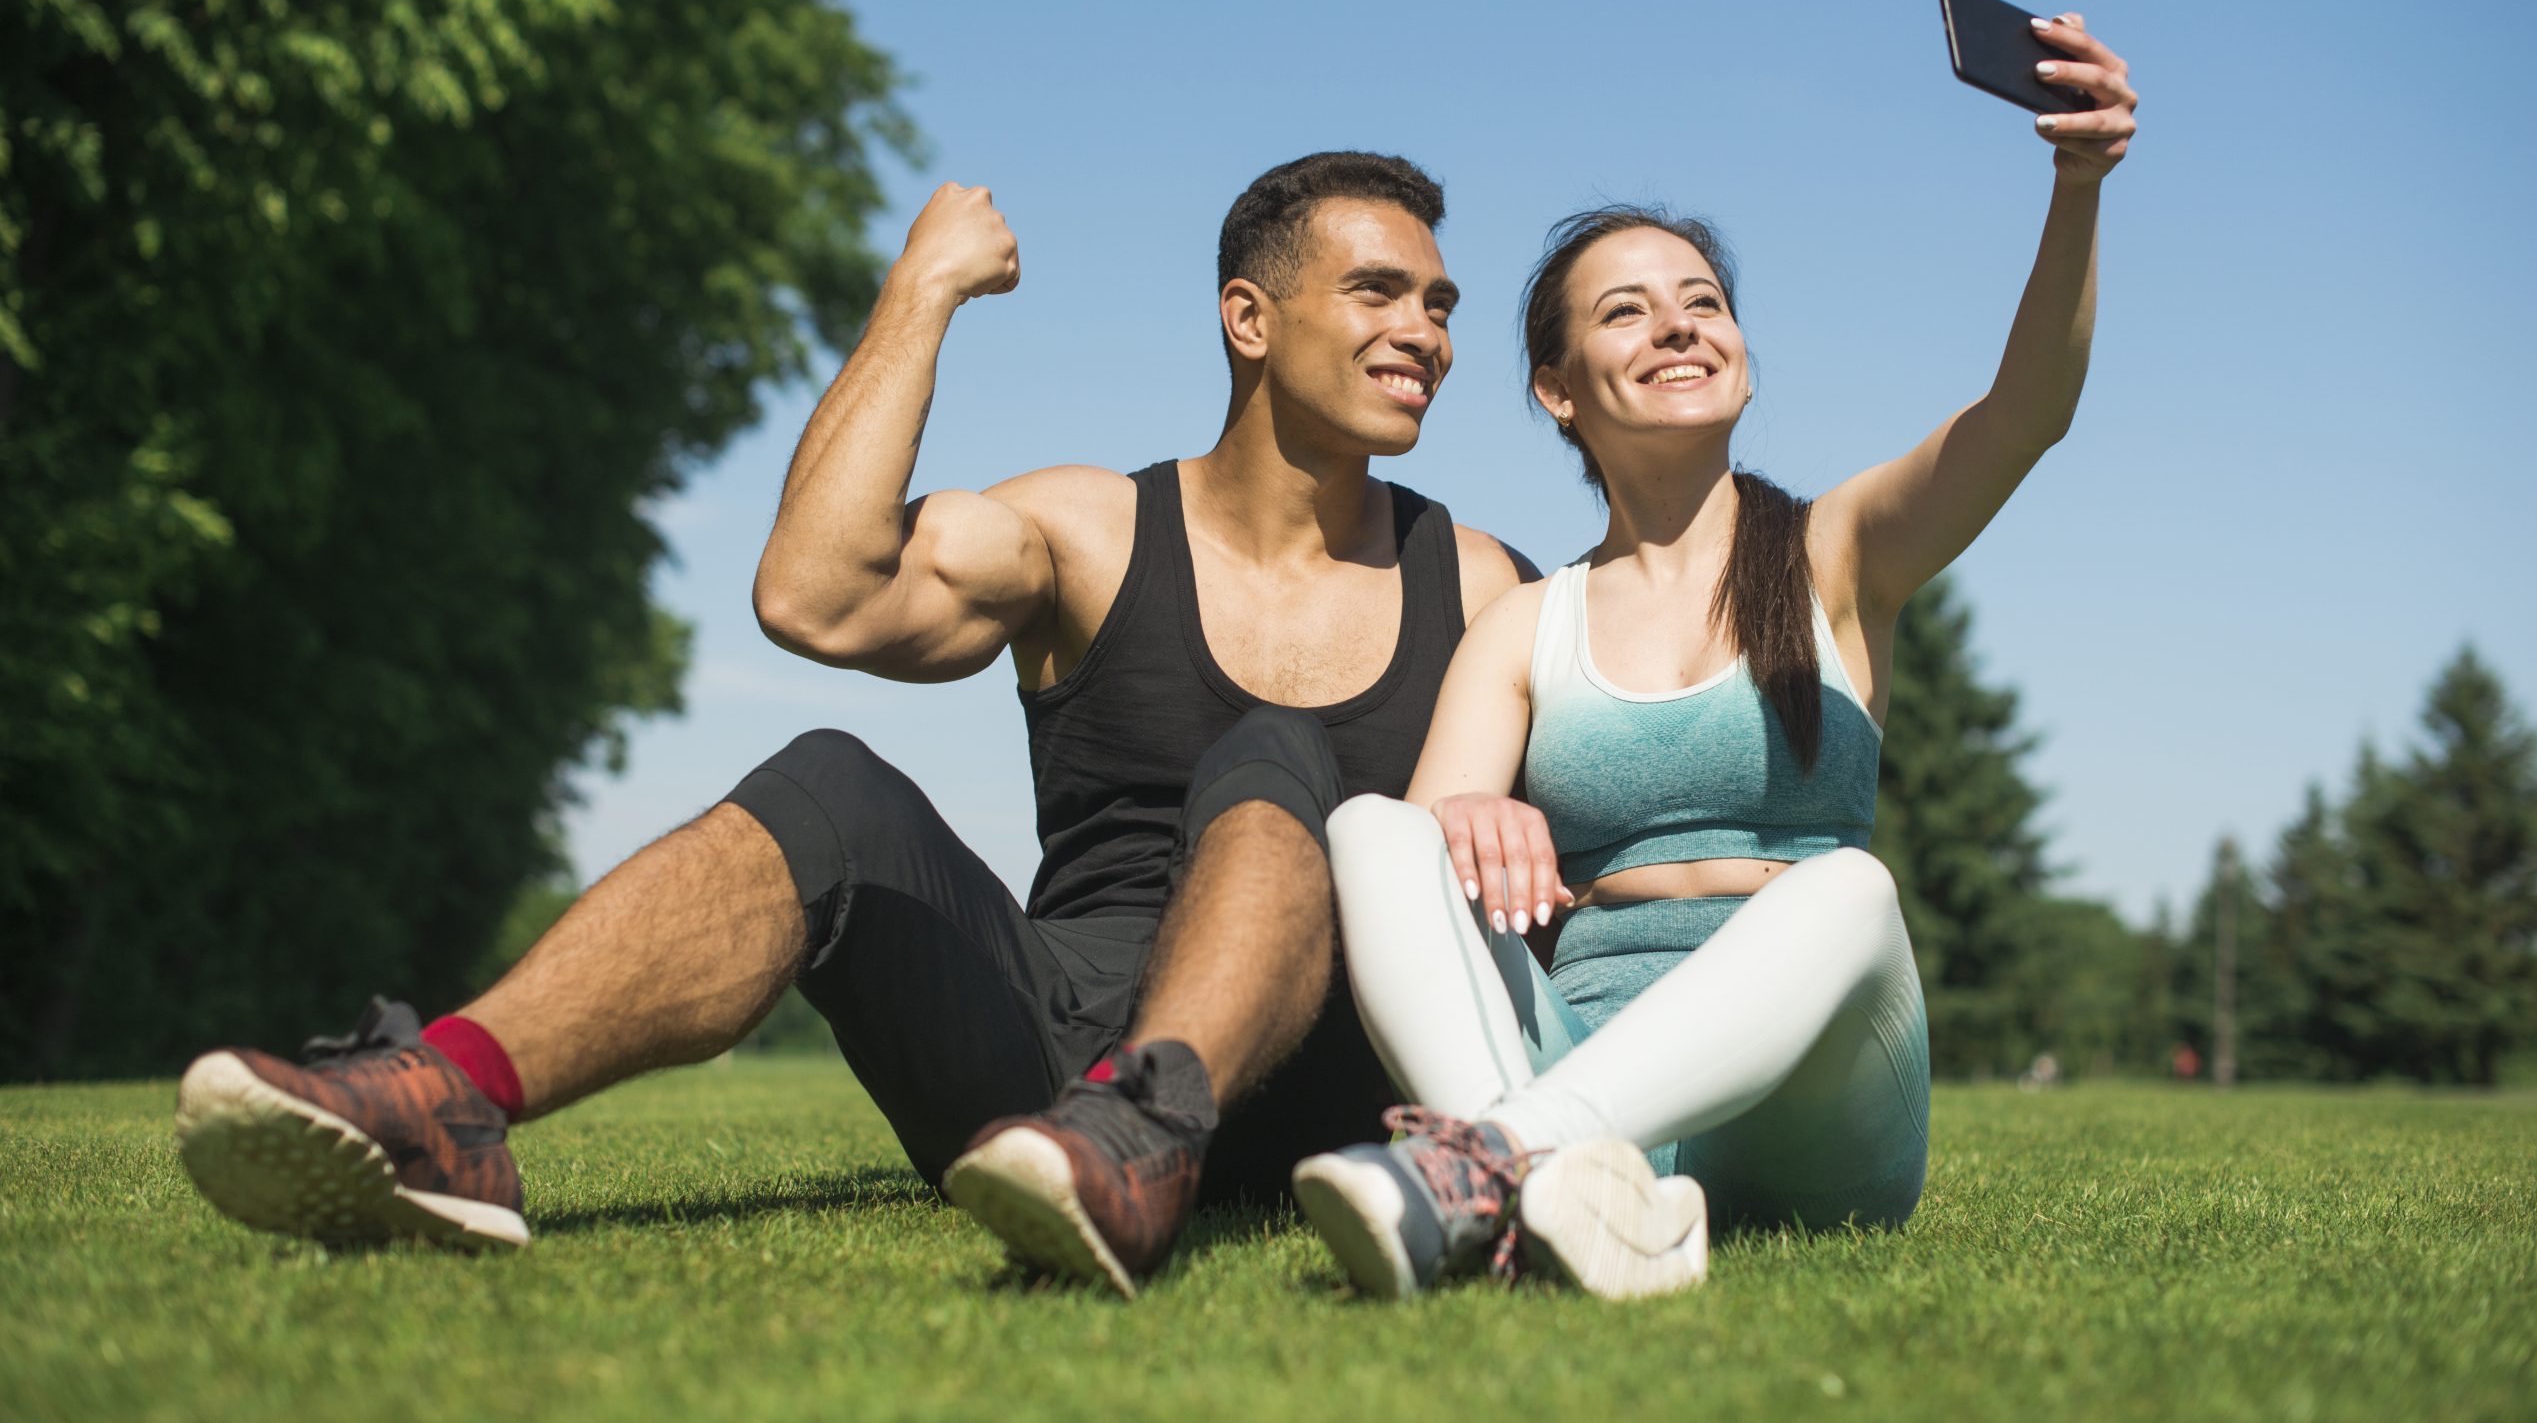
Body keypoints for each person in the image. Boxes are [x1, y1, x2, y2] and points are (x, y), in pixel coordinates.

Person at [172, 151, 1540, 1296]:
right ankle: (443, 1101)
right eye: (1379, 289)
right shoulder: (1089, 530)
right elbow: (813, 594)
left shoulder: (1477, 583)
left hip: (1308, 1075)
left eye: (1439, 302)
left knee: (1279, 750)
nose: (1426, 331)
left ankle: (1152, 1123)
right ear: (1250, 317)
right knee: (830, 781)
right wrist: (922, 291)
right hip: (1049, 1065)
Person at [1291, 17, 2140, 1298]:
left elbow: (2027, 411)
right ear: (1556, 389)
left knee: (1850, 890)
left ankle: (1484, 1173)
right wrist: (1469, 815)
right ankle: (1565, 1188)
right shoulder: (1526, 622)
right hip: (1585, 1049)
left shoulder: (1839, 554)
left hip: (1814, 1102)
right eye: (1626, 313)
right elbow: (1427, 868)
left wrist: (2076, 190)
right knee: (1368, 827)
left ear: (1741, 357)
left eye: (1705, 304)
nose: (1679, 329)